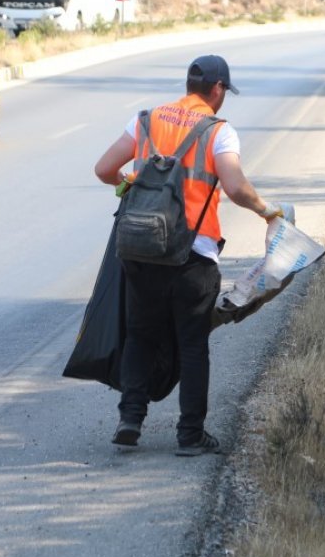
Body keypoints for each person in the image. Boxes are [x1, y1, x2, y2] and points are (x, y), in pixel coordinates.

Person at [92, 54, 284, 456]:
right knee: (192, 344)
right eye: (223, 92)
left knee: (140, 336)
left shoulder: (146, 119)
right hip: (192, 255)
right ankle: (190, 434)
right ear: (216, 90)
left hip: (141, 251)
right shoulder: (218, 131)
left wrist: (130, 184)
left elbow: (105, 169)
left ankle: (130, 419)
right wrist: (267, 210)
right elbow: (234, 186)